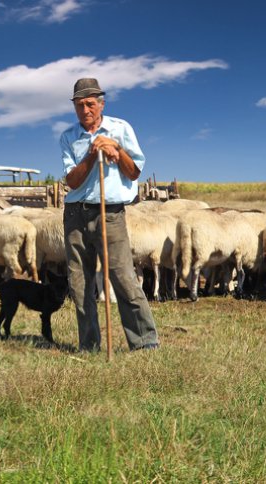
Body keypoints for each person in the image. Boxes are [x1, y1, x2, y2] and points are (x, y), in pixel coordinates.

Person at [60, 78, 159, 352]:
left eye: (90, 104)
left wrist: (117, 149)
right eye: (79, 105)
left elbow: (134, 171)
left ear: (101, 103)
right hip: (76, 215)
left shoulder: (120, 128)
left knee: (123, 276)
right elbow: (73, 181)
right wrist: (93, 154)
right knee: (80, 282)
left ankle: (144, 343)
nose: (85, 110)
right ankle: (89, 345)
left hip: (110, 213)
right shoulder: (68, 137)